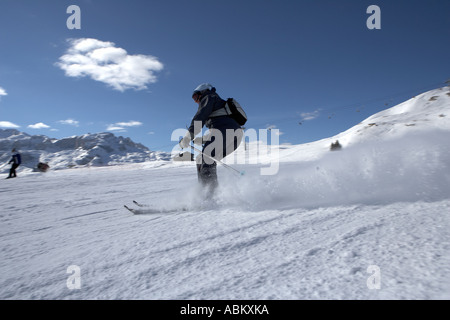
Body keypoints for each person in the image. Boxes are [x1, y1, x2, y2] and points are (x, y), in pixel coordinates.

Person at [179, 83, 243, 191]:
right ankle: (206, 192)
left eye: (195, 97)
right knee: (202, 158)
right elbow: (219, 125)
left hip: (225, 131)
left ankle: (209, 196)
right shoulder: (217, 104)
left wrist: (188, 136)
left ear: (202, 92)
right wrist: (201, 140)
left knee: (206, 159)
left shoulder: (209, 96)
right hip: (235, 135)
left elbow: (200, 116)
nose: (196, 101)